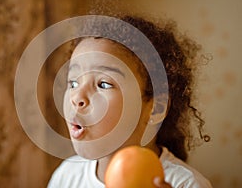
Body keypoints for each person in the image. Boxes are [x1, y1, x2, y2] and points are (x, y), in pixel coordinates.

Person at [47, 15, 212, 188]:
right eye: (73, 83)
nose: (77, 97)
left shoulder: (186, 183)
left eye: (103, 84)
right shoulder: (67, 175)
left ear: (155, 109)